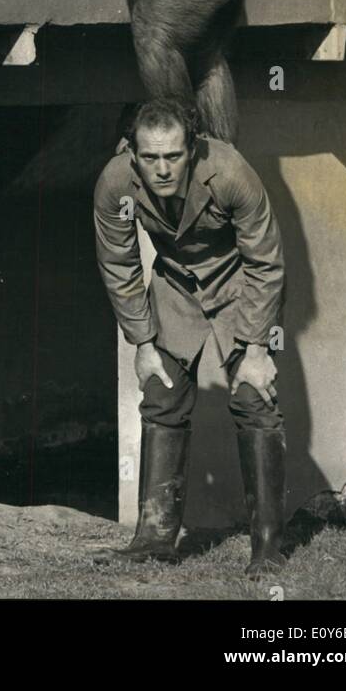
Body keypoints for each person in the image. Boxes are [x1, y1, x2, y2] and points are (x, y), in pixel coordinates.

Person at [94, 97, 287, 575]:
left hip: (239, 284)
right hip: (176, 285)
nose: (162, 169)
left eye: (174, 156)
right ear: (131, 152)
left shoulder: (230, 172)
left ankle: (267, 548)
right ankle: (154, 539)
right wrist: (141, 343)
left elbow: (265, 261)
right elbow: (120, 265)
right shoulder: (116, 182)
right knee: (160, 394)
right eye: (151, 157)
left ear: (193, 148)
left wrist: (257, 348)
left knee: (252, 399)